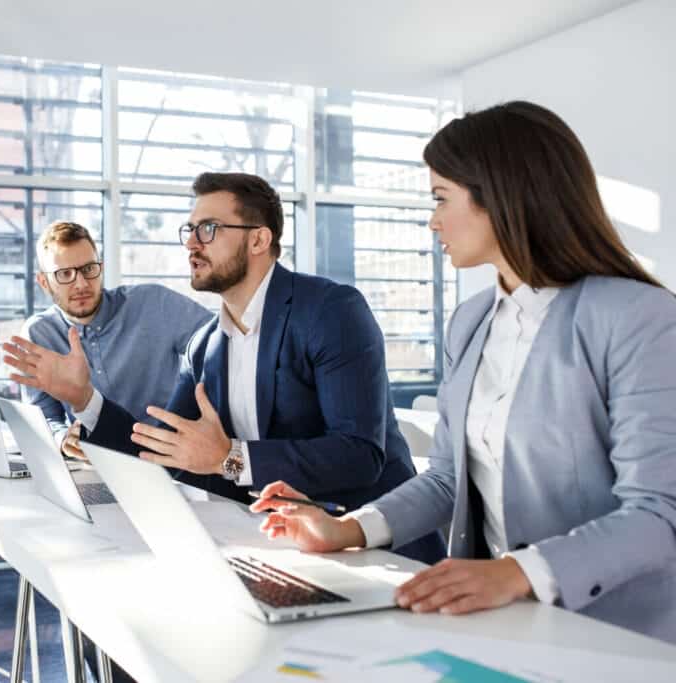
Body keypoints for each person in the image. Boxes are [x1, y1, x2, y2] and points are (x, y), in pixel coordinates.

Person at [251, 101, 676, 643]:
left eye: (440, 198)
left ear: (502, 198)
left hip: (619, 637)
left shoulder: (639, 317)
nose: (432, 220)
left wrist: (515, 573)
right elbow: (449, 477)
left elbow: (658, 514)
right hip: (505, 624)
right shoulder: (472, 321)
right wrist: (349, 528)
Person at [5, 172, 445, 565]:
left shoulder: (330, 310)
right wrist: (84, 400)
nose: (191, 243)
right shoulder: (205, 346)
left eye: (208, 229)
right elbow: (165, 452)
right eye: (190, 230)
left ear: (258, 240)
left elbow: (360, 456)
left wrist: (230, 458)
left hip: (377, 553)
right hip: (278, 547)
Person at [20, 220, 211, 457]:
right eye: (64, 274)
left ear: (100, 267)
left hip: (167, 458)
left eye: (88, 269)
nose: (81, 284)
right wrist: (62, 438)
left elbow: (221, 343)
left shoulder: (152, 303)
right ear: (44, 282)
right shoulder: (39, 333)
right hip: (93, 462)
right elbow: (43, 416)